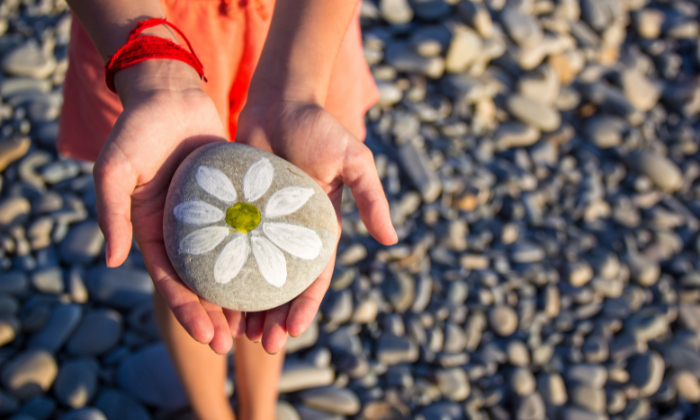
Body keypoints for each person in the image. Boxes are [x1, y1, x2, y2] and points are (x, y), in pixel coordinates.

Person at [58, 1, 398, 419]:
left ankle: (260, 411)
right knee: (186, 271)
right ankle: (211, 413)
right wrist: (156, 75)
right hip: (141, 25)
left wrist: (297, 87)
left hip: (308, 31)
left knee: (264, 293)